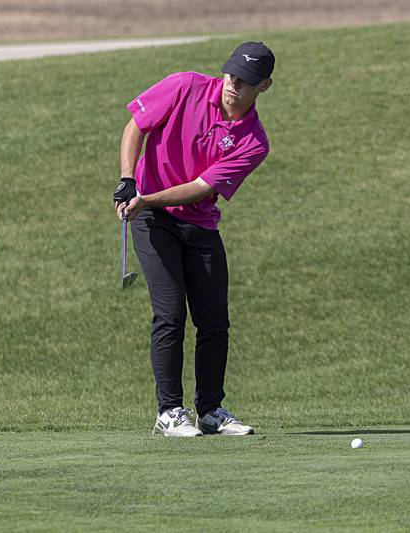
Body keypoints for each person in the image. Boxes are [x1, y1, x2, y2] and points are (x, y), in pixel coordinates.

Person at [113, 42, 274, 437]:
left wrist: (144, 196)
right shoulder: (184, 85)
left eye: (246, 81)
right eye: (231, 75)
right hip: (153, 220)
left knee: (215, 321)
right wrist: (129, 180)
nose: (233, 85)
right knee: (170, 314)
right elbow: (136, 125)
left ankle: (210, 411)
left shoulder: (253, 141)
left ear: (264, 86)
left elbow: (202, 187)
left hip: (198, 223)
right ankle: (168, 412)